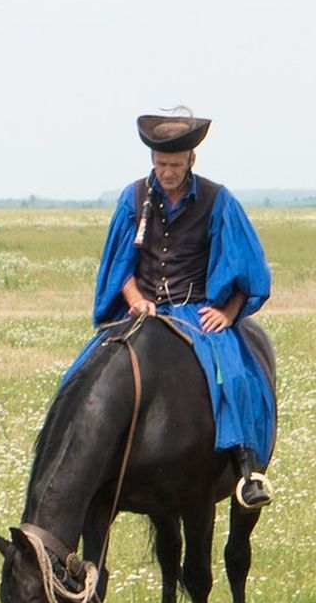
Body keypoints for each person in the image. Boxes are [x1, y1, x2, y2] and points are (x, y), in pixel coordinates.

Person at [71, 108, 274, 508]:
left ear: (191, 161)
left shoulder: (218, 200)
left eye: (175, 165)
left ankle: (246, 467)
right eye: (161, 163)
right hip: (142, 311)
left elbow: (247, 267)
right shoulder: (133, 198)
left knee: (233, 375)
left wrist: (228, 312)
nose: (167, 172)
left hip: (196, 311)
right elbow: (118, 264)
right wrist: (134, 299)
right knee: (81, 372)